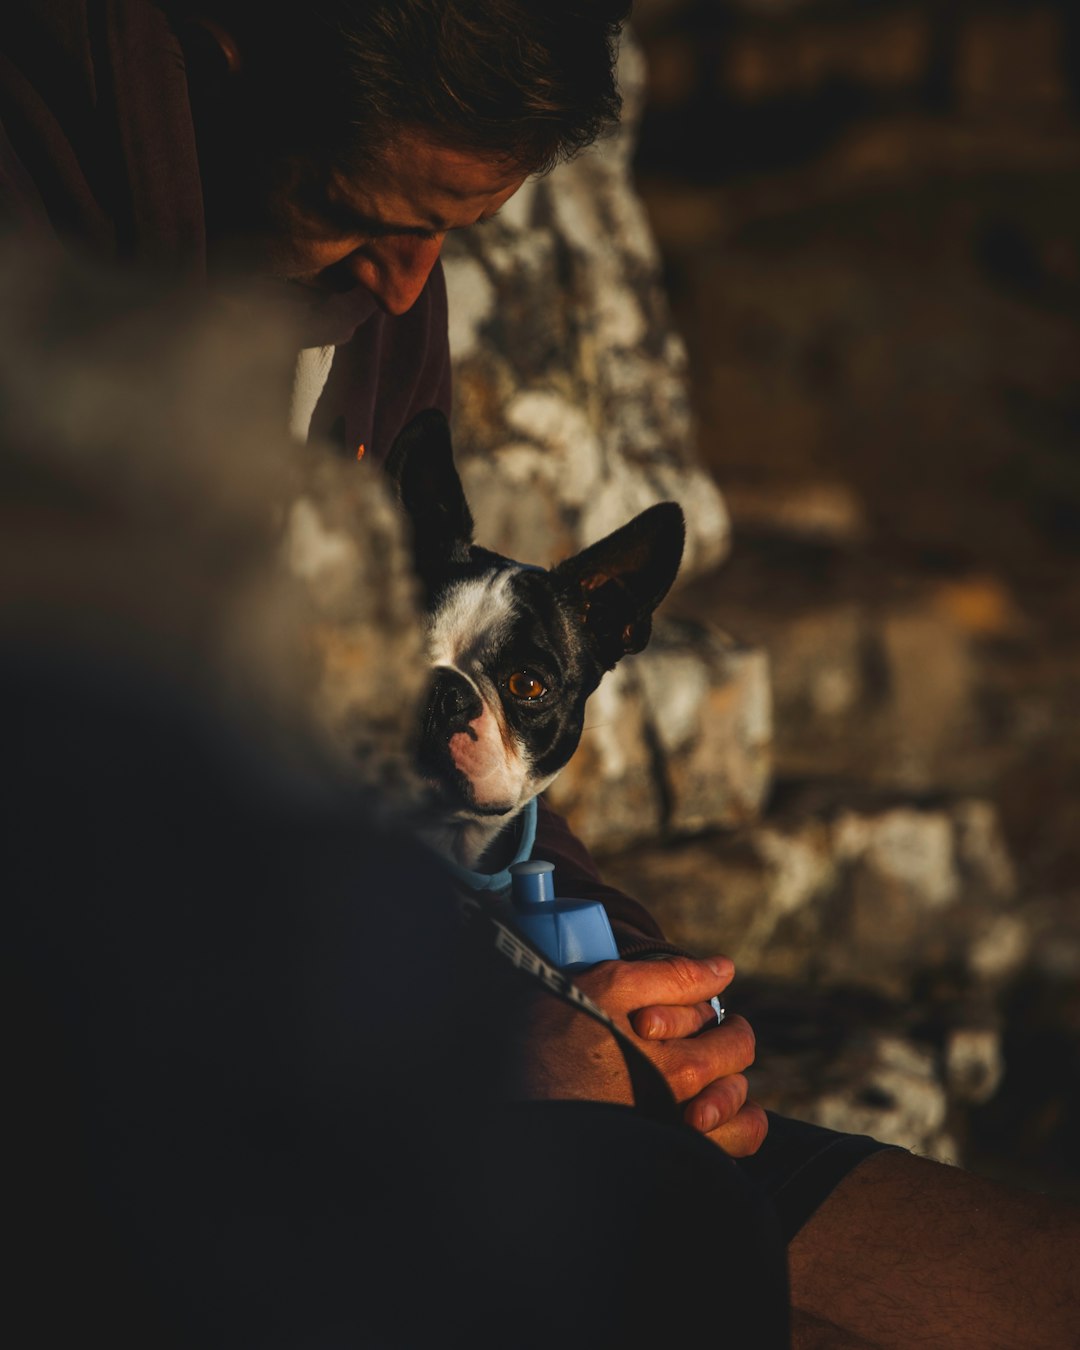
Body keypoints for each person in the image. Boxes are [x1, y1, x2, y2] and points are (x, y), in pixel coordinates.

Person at [2, 3, 1078, 1345]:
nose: (408, 286)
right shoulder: (42, 197)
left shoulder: (374, 293)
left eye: (455, 230)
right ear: (237, 49)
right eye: (369, 212)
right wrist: (453, 1026)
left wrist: (626, 982)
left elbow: (421, 771)